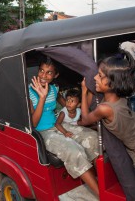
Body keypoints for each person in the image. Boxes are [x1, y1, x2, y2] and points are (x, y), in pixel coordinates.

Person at [80, 51, 135, 179]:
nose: (95, 78)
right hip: (134, 137)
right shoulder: (113, 95)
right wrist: (90, 91)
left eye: (100, 75)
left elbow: (85, 119)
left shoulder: (104, 109)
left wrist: (83, 90)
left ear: (113, 83)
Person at [29, 56, 99, 196]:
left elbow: (67, 106)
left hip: (58, 125)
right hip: (43, 132)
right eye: (41, 71)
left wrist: (84, 95)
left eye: (49, 72)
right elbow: (34, 123)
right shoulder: (29, 92)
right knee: (74, 150)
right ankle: (101, 195)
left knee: (93, 137)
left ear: (56, 75)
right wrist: (41, 98)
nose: (43, 75)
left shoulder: (54, 89)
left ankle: (99, 181)